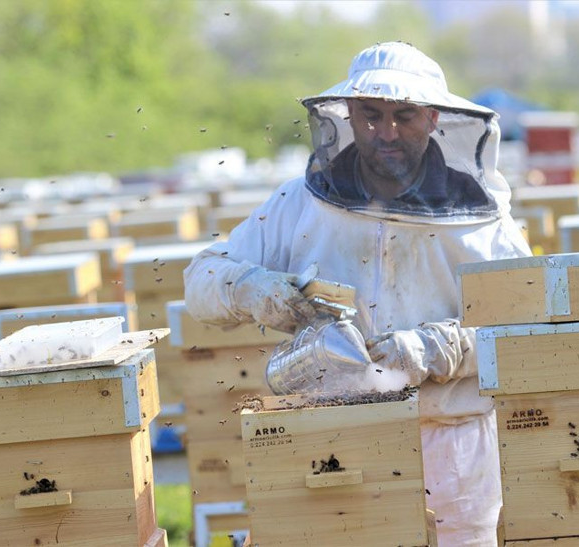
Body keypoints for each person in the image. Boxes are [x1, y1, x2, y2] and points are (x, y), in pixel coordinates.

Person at [184, 41, 531, 546]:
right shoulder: (298, 202)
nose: (386, 132)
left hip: (450, 442)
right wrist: (255, 288)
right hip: (332, 438)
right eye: (371, 115)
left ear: (433, 118)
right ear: (346, 114)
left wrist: (443, 348)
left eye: (404, 116)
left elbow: (527, 324)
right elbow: (201, 278)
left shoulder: (483, 218)